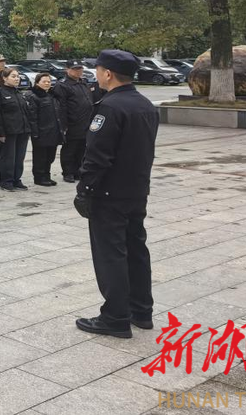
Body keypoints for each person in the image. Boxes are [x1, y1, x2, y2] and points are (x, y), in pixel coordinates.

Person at [74, 50, 158, 339]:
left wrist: (85, 190)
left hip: (109, 194)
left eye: (98, 70)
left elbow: (97, 155)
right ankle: (141, 311)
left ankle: (115, 317)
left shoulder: (110, 107)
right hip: (136, 190)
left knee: (111, 254)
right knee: (136, 249)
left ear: (108, 73)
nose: (96, 74)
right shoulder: (144, 104)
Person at [55, 59, 97, 183]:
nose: (78, 71)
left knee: (82, 148)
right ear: (67, 70)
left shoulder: (83, 82)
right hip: (72, 122)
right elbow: (61, 106)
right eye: (75, 69)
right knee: (70, 149)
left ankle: (78, 171)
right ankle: (68, 172)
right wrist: (64, 125)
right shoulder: (62, 85)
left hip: (86, 121)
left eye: (80, 69)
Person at [0, 67, 32, 192]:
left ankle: (16, 179)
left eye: (18, 76)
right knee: (8, 158)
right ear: (4, 78)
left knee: (19, 157)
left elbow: (25, 112)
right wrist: (0, 133)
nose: (17, 79)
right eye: (13, 76)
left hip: (23, 130)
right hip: (9, 131)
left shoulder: (18, 93)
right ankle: (6, 181)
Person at [29, 73, 64, 186]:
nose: (47, 83)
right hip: (41, 131)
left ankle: (47, 175)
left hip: (53, 131)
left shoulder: (52, 95)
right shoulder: (34, 96)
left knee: (50, 156)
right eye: (44, 81)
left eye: (49, 81)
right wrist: (35, 133)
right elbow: (33, 117)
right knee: (40, 157)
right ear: (37, 83)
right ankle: (39, 177)